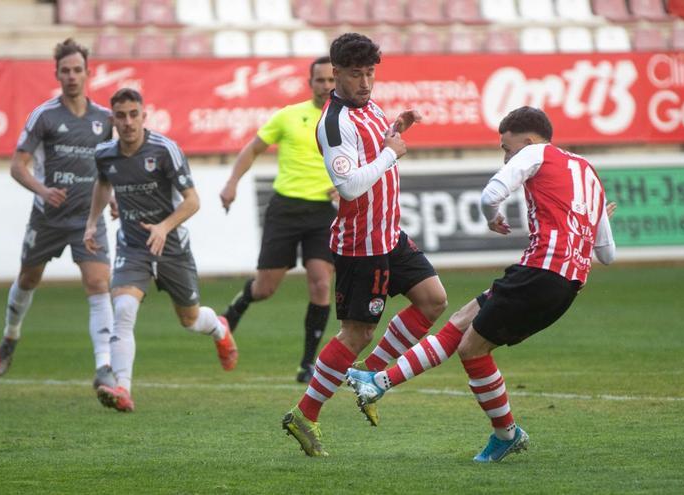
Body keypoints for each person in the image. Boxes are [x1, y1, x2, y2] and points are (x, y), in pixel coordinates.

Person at [346, 106, 617, 462]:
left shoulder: (537, 152)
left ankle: (505, 433)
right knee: (460, 322)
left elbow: (490, 195)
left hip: (541, 272)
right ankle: (378, 381)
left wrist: (493, 218)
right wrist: (593, 219)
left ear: (529, 140)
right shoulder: (589, 172)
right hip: (560, 281)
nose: (506, 156)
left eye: (507, 148)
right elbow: (607, 253)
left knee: (472, 348)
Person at [281, 33, 448, 457]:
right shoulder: (334, 123)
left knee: (432, 300)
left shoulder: (370, 106)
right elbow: (350, 186)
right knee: (357, 332)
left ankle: (368, 375)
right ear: (335, 74)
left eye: (371, 73)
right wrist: (392, 153)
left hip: (389, 234)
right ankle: (306, 413)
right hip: (362, 245)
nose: (366, 82)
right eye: (356, 74)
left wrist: (395, 130)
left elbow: (374, 149)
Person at [83, 88, 238, 412]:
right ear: (113, 119)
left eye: (133, 115)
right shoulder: (105, 155)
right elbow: (103, 184)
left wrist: (163, 227)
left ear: (143, 115)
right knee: (123, 309)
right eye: (121, 116)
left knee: (190, 320)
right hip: (133, 247)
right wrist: (92, 222)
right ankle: (122, 389)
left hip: (172, 248)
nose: (127, 122)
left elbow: (193, 201)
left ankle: (218, 327)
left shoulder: (165, 150)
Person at [0, 39, 121, 409]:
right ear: (57, 74)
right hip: (48, 218)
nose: (72, 76)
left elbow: (108, 169)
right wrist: (42, 190)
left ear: (88, 72)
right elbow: (18, 165)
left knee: (98, 284)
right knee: (28, 279)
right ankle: (11, 336)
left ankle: (104, 368)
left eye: (77, 69)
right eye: (65, 70)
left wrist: (111, 199)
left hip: (87, 220)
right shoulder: (44, 116)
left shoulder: (103, 121)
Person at [219, 56, 336, 384]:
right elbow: (253, 149)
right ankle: (237, 307)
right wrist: (231, 183)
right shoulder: (288, 116)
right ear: (310, 82)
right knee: (265, 288)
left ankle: (307, 364)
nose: (326, 86)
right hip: (285, 208)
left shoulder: (346, 120)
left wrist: (346, 188)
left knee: (321, 282)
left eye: (331, 80)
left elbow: (364, 160)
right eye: (320, 80)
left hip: (322, 213)